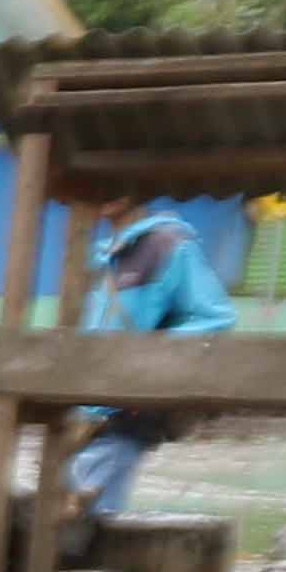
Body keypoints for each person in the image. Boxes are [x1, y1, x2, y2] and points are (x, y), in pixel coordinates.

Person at [69, 209, 237, 523]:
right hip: (85, 414)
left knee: (79, 517)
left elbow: (215, 319)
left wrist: (147, 357)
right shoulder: (104, 255)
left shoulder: (169, 244)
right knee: (78, 510)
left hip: (129, 411)